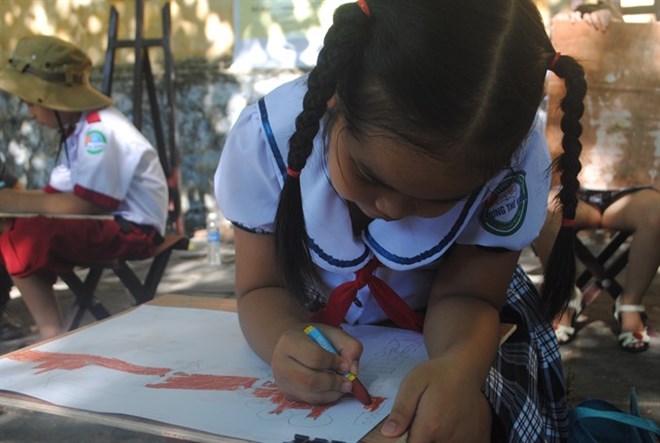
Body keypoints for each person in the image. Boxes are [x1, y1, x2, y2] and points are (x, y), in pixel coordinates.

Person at [215, 1, 586, 441]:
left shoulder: (510, 163)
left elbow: (469, 296)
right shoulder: (267, 143)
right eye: (369, 174)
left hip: (463, 328)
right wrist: (284, 337)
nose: (390, 208)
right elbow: (262, 288)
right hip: (310, 318)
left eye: (437, 200)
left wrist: (458, 367)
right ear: (336, 100)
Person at [0, 35, 168, 340]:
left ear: (51, 99)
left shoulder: (99, 130)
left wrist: (11, 200)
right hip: (107, 222)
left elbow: (88, 204)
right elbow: (55, 197)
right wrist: (11, 206)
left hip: (133, 228)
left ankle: (51, 335)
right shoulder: (78, 129)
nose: (29, 113)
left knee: (23, 235)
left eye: (31, 103)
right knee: (11, 227)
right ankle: (51, 334)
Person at [534, 188, 660, 352]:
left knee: (656, 212)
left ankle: (630, 303)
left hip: (632, 194)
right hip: (575, 190)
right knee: (544, 210)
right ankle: (565, 296)